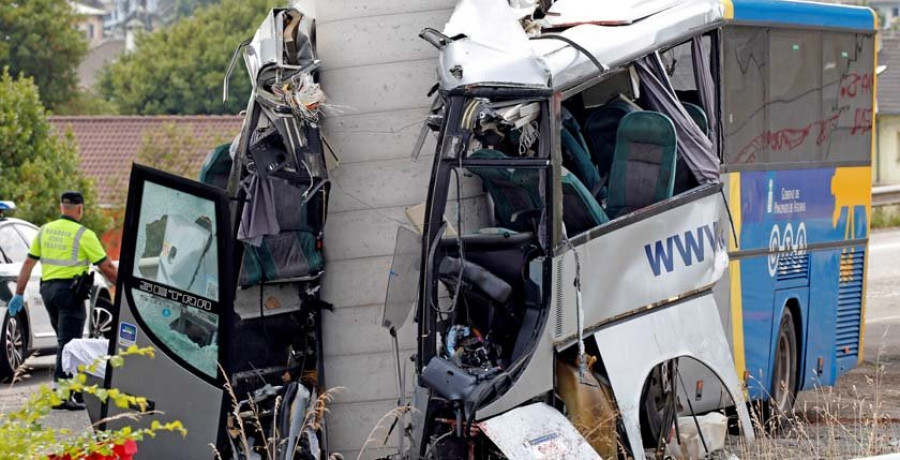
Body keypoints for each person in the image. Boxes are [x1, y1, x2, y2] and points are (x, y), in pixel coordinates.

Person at [8, 192, 117, 410]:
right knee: (69, 343)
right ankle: (63, 394)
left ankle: (72, 391)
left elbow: (28, 264)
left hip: (48, 292)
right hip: (70, 293)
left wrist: (18, 293)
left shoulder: (44, 231)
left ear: (61, 207)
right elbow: (106, 267)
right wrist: (124, 289)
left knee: (64, 341)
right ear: (80, 209)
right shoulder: (83, 234)